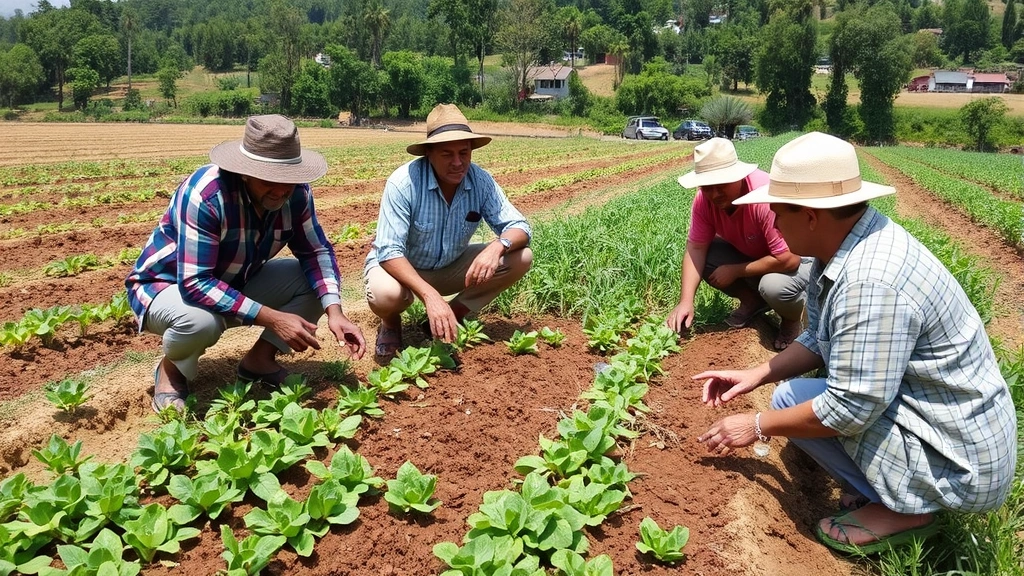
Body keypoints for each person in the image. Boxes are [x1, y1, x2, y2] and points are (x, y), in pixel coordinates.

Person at [694, 132, 1017, 554]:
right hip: (935, 414)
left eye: (777, 209)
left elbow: (850, 408)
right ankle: (884, 489)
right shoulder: (843, 248)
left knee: (789, 411)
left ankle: (909, 511)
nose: (771, 219)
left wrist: (754, 426)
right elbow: (817, 336)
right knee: (786, 396)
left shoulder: (870, 283)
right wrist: (755, 374)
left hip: (960, 460)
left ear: (811, 216)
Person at [126, 114, 366, 413]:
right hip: (166, 287)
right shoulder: (208, 194)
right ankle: (171, 372)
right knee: (200, 322)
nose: (280, 191)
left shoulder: (297, 193)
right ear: (245, 172)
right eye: (269, 180)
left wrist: (335, 311)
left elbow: (316, 251)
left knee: (314, 283)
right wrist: (273, 318)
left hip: (235, 280)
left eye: (288, 180)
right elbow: (194, 283)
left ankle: (259, 362)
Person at [365, 103, 532, 357]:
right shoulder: (403, 183)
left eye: (464, 153)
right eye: (447, 154)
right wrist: (430, 296)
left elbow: (519, 226)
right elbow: (388, 251)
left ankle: (452, 314)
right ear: (429, 154)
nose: (458, 162)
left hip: (449, 266)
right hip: (402, 272)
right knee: (386, 294)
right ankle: (390, 323)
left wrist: (498, 246)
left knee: (521, 257)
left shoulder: (480, 181)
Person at [668, 137, 811, 350]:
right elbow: (696, 248)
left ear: (739, 177)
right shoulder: (704, 200)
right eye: (707, 187)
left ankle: (791, 319)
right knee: (709, 256)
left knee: (774, 287)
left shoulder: (763, 196)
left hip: (799, 262)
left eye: (721, 185)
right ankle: (752, 301)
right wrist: (686, 301)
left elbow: (789, 259)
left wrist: (735, 270)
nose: (714, 194)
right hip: (757, 256)